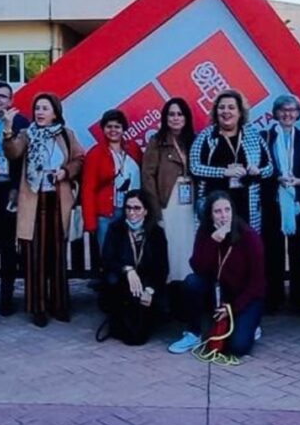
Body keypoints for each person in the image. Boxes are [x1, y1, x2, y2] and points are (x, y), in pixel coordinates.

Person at [3, 92, 85, 327]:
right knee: (34, 256)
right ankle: (37, 307)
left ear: (55, 113)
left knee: (57, 255)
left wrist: (66, 172)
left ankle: (59, 304)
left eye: (45, 108)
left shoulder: (66, 135)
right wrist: (8, 129)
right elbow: (13, 152)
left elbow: (79, 159)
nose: (39, 112)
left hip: (58, 199)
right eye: (37, 108)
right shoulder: (27, 134)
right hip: (33, 199)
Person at [167, 191, 266, 356]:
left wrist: (233, 308)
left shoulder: (249, 236)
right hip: (218, 291)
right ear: (210, 215)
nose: (224, 216)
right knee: (191, 282)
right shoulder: (205, 232)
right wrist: (213, 241)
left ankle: (251, 324)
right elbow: (197, 267)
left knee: (237, 348)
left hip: (244, 296)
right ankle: (193, 333)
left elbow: (257, 283)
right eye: (218, 211)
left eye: (227, 210)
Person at [189, 89, 273, 231]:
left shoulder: (253, 135)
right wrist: (224, 172)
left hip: (247, 205)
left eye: (231, 107)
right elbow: (195, 167)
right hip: (215, 206)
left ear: (240, 112)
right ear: (216, 112)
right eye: (221, 107)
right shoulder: (206, 136)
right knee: (215, 246)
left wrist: (258, 172)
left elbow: (269, 167)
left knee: (247, 246)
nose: (226, 111)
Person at [261, 94, 300, 313]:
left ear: (298, 114)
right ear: (276, 113)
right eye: (283, 110)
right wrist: (276, 177)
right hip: (274, 200)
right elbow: (261, 166)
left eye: (292, 110)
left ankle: (299, 299)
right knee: (272, 250)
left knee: (299, 251)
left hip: (297, 201)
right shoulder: (265, 137)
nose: (288, 114)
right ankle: (274, 298)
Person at [140, 98, 197, 305]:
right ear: (165, 118)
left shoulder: (194, 140)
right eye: (171, 114)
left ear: (186, 117)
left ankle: (189, 294)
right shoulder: (156, 141)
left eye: (179, 114)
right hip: (168, 204)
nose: (175, 118)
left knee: (188, 249)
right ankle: (169, 298)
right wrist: (156, 211)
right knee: (170, 249)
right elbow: (148, 177)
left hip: (190, 204)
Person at [0, 81, 29, 316]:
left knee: (8, 247)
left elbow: (25, 160)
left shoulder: (21, 123)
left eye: (2, 96)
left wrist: (15, 188)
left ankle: (6, 299)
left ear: (10, 101)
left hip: (9, 190)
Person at [99, 190, 169, 345]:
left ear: (145, 211)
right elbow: (107, 260)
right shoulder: (116, 229)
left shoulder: (156, 233)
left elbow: (162, 267)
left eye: (137, 208)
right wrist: (127, 270)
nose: (132, 213)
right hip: (123, 284)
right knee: (129, 336)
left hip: (146, 284)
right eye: (128, 208)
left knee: (139, 336)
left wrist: (150, 290)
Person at [82, 109, 142, 251]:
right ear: (103, 128)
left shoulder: (133, 149)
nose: (113, 130)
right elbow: (88, 189)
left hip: (132, 212)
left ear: (123, 129)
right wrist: (90, 222)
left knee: (131, 254)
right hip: (107, 214)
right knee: (108, 256)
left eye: (117, 126)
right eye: (109, 126)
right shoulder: (95, 154)